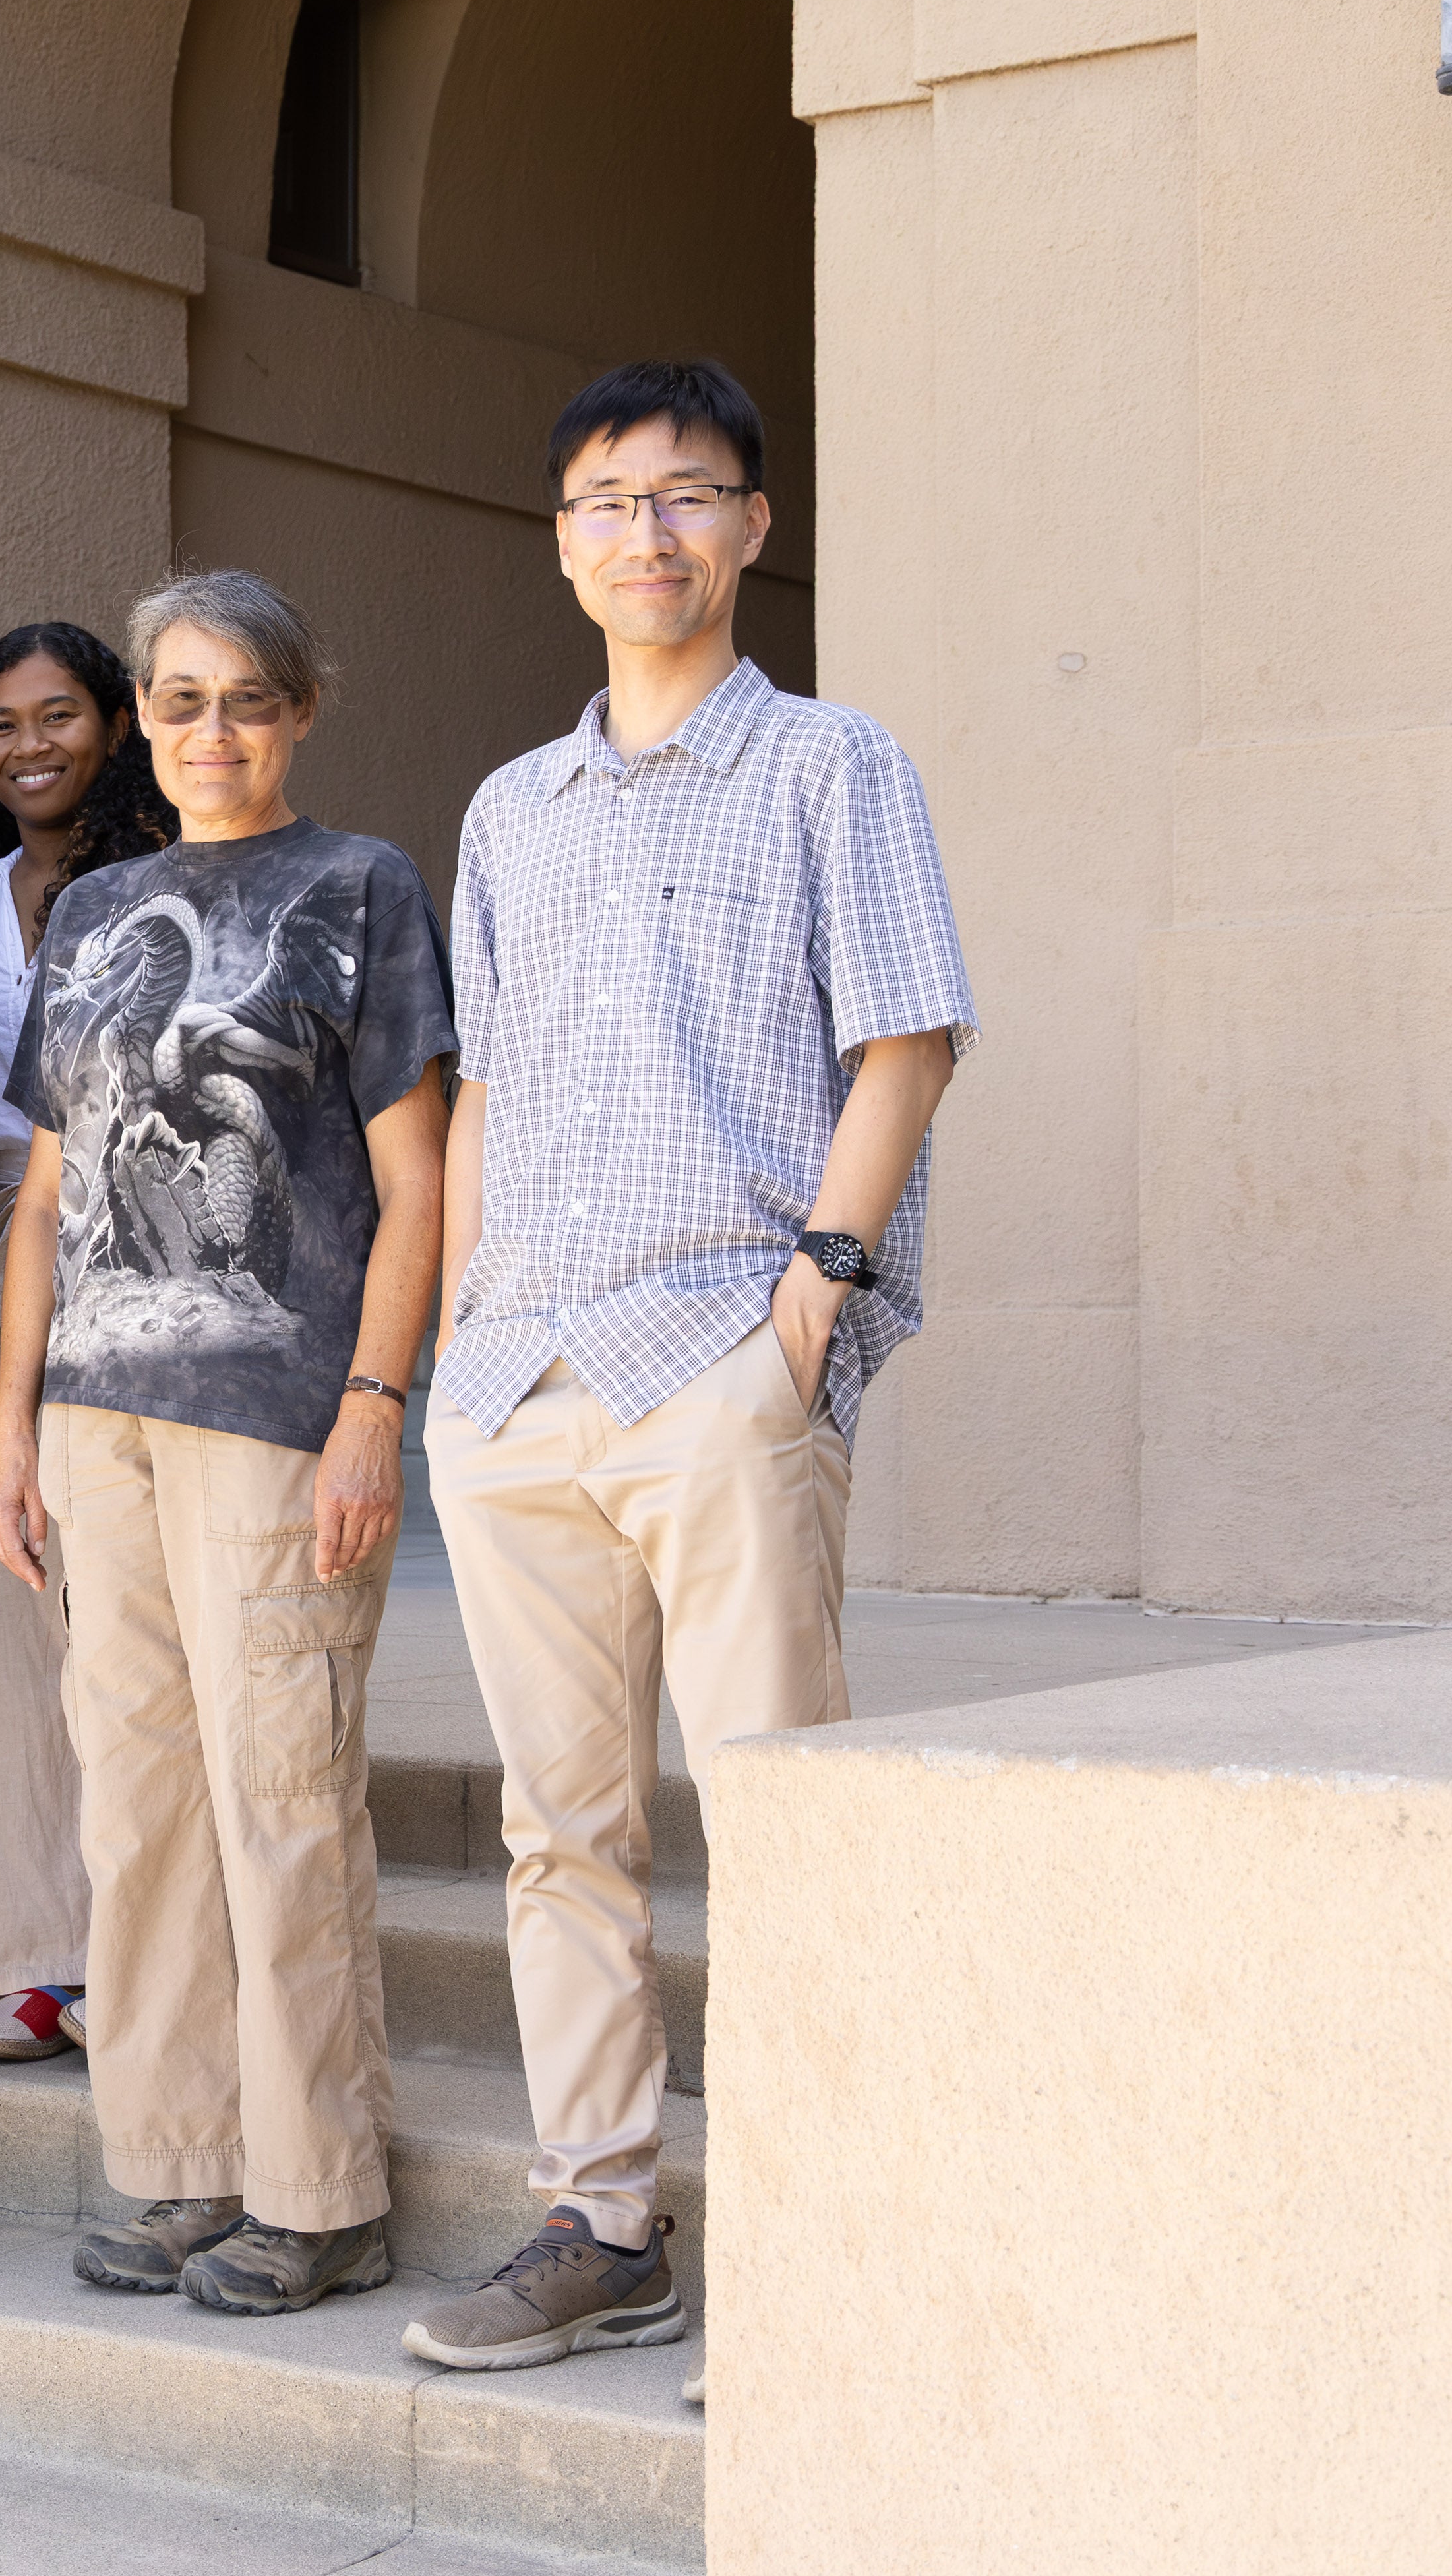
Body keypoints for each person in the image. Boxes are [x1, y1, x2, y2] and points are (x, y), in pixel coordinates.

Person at [402, 361, 971, 2385]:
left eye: (682, 494)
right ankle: (603, 2225)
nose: (642, 532)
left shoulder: (830, 764)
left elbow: (904, 1035)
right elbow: (483, 1089)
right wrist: (458, 1343)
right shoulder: (509, 808)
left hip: (725, 1346)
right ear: (561, 544)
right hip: (521, 1377)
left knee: (779, 1816)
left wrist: (815, 1294)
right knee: (557, 1834)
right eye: (604, 501)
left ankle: (817, 2256)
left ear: (748, 525)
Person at [0, 571, 456, 2321]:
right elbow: (48, 1193)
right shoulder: (98, 909)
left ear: (300, 711)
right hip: (97, 1420)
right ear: (144, 723)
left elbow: (418, 1180)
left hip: (275, 1419)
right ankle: (181, 2156)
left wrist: (375, 1407)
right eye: (180, 700)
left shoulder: (362, 887)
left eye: (248, 697)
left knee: (282, 1799)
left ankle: (320, 2190)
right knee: (140, 1805)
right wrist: (14, 1426)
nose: (213, 731)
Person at [0, 623, 171, 2066]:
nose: (32, 745)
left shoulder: (168, 881)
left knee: (135, 1603)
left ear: (115, 726)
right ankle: (36, 1952)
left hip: (144, 1240)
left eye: (60, 715)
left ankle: (154, 1949)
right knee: (15, 1598)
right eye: (3, 725)